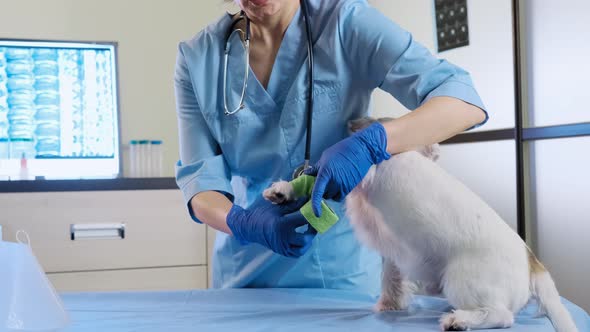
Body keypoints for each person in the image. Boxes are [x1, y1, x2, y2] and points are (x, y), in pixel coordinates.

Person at [174, 0, 487, 297]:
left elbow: (463, 101)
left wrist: (373, 142)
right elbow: (201, 184)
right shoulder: (198, 57)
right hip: (241, 276)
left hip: (340, 278)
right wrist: (244, 224)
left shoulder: (346, 23)